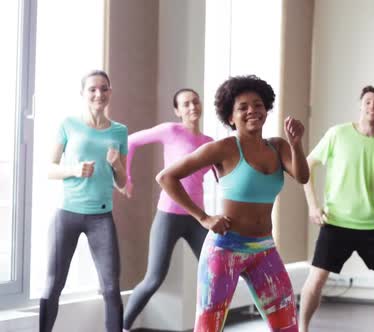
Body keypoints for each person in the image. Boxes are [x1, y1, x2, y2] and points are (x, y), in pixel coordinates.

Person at [156, 75, 309, 332]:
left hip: (264, 249)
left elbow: (302, 176)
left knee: (287, 325)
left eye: (258, 105)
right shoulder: (223, 148)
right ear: (230, 116)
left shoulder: (278, 147)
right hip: (225, 249)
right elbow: (166, 177)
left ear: (266, 109)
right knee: (209, 327)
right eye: (243, 107)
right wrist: (203, 218)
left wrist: (296, 144)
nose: (252, 111)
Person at [299, 85, 374, 332]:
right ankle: (301, 328)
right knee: (317, 280)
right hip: (336, 222)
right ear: (361, 105)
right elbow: (307, 166)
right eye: (367, 101)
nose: (372, 106)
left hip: (372, 223)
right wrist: (313, 206)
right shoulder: (338, 134)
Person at [40, 70, 127, 332]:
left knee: (111, 287)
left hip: (101, 217)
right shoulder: (69, 124)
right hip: (67, 214)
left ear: (110, 92)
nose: (98, 94)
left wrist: (117, 164)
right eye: (92, 89)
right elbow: (49, 168)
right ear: (83, 93)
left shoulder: (120, 131)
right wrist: (74, 170)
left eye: (104, 88)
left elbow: (122, 182)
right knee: (54, 283)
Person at [122, 89, 213, 331]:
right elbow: (130, 141)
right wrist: (127, 178)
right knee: (153, 279)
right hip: (169, 215)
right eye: (186, 104)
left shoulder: (209, 143)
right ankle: (121, 327)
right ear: (177, 111)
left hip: (197, 218)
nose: (192, 107)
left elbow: (224, 177)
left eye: (195, 101)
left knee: (215, 274)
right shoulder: (171, 131)